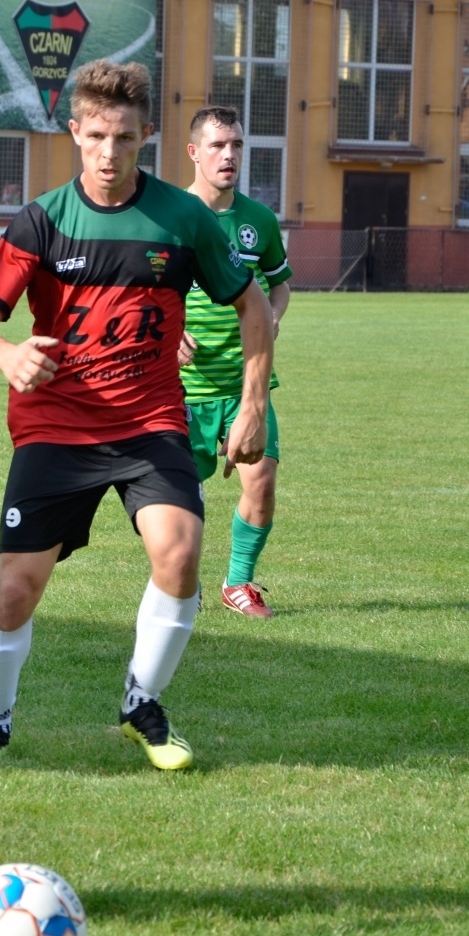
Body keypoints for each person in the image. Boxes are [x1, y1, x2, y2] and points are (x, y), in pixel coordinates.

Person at [0, 60, 271, 771]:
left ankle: (141, 700)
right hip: (55, 427)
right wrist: (6, 357)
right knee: (15, 591)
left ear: (147, 137)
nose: (109, 151)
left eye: (124, 138)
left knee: (182, 550)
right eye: (96, 135)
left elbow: (252, 304)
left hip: (149, 420)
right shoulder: (41, 219)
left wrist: (253, 405)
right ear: (74, 132)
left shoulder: (182, 217)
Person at [179, 106, 292, 619]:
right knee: (179, 502)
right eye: (219, 145)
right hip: (182, 387)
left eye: (237, 146)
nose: (229, 155)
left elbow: (280, 283)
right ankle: (184, 583)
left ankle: (238, 584)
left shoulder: (259, 220)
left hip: (248, 380)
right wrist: (169, 330)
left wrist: (274, 318)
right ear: (194, 152)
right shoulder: (169, 216)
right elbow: (144, 289)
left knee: (262, 484)